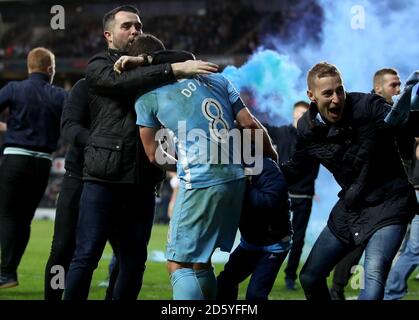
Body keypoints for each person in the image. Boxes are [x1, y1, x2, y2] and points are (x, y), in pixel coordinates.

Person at [63, 5, 217, 300]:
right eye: (127, 26)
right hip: (103, 179)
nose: (135, 31)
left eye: (138, 26)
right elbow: (121, 82)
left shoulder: (148, 65)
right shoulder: (98, 66)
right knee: (86, 257)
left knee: (133, 263)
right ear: (108, 35)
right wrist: (169, 70)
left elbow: (188, 58)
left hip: (142, 181)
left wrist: (146, 58)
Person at [132, 34, 278, 300]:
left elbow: (153, 154)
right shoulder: (218, 78)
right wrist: (271, 156)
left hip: (200, 180)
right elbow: (249, 124)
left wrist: (184, 167)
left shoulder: (147, 97)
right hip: (235, 178)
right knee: (201, 262)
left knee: (177, 264)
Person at [281, 61, 418, 300]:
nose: (336, 98)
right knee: (310, 277)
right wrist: (257, 175)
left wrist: (406, 109)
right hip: (351, 207)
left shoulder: (368, 105)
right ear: (311, 96)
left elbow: (402, 122)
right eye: (328, 93)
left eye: (340, 90)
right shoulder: (306, 128)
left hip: (390, 204)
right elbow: (296, 169)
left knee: (373, 287)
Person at [329, 67, 414, 300]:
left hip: (395, 194)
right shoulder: (366, 112)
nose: (397, 89)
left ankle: (354, 290)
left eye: (399, 85)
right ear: (378, 88)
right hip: (369, 197)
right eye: (393, 85)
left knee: (384, 252)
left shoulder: (396, 112)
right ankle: (339, 288)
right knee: (359, 246)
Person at [0, 47, 67, 288]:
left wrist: (8, 128)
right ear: (50, 70)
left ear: (29, 68)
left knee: (7, 214)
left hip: (16, 158)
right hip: (42, 163)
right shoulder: (60, 95)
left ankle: (6, 272)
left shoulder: (14, 89)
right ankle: (8, 272)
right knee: (24, 219)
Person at [216, 157, 292, 301]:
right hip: (250, 242)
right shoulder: (232, 167)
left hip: (274, 244)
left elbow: (270, 203)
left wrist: (241, 184)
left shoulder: (266, 166)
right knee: (225, 282)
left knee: (255, 295)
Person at [266, 101, 319, 290]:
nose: (299, 118)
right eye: (297, 114)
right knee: (272, 236)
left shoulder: (314, 138)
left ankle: (290, 276)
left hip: (303, 196)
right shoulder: (281, 132)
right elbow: (259, 127)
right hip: (281, 194)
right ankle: (265, 275)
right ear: (292, 115)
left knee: (298, 238)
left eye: (303, 115)